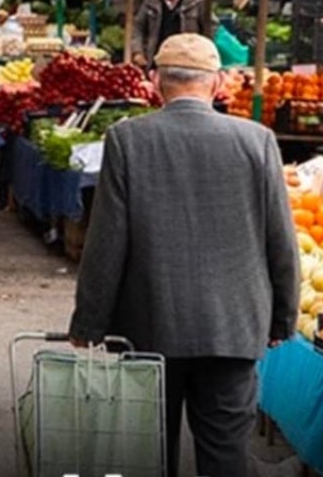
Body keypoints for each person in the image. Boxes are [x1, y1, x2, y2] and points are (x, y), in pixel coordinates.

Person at [69, 33, 300, 477]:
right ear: (216, 84)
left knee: (150, 452)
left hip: (150, 324)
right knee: (226, 454)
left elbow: (107, 242)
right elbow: (280, 240)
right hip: (232, 327)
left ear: (156, 82)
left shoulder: (127, 140)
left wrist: (89, 324)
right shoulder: (258, 141)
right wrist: (282, 318)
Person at [131, 0, 208, 69]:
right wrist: (137, 51)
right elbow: (138, 25)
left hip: (187, 62)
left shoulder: (196, 0)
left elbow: (209, 27)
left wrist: (203, 54)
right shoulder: (151, 0)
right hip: (157, 60)